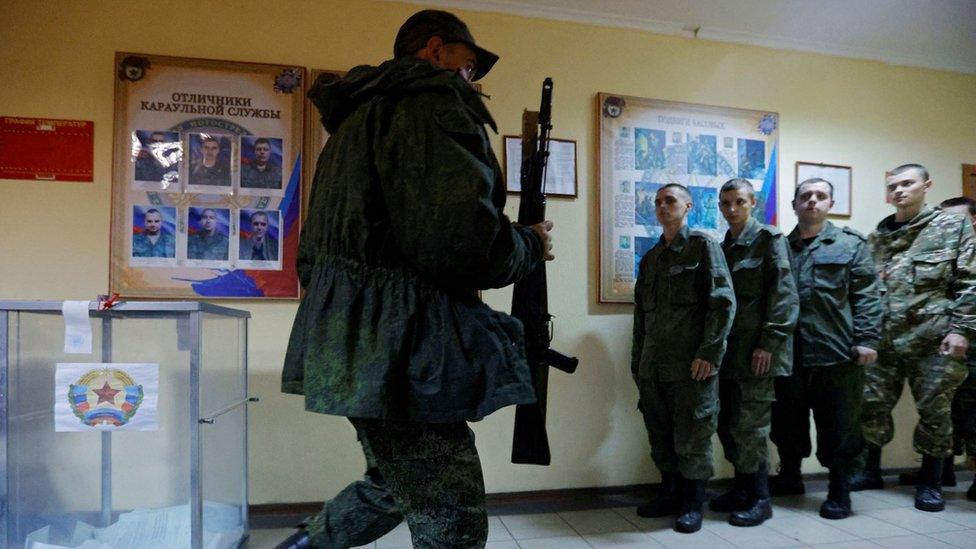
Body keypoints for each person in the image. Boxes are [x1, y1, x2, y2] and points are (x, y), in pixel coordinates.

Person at [277, 9, 552, 549]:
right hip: (400, 351)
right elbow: (462, 245)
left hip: (350, 344)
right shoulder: (431, 102)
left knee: (392, 483)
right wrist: (529, 244)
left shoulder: (357, 121)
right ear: (435, 50)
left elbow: (312, 256)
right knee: (453, 522)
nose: (471, 81)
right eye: (468, 67)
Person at [851, 165, 976, 512]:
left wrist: (960, 329)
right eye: (894, 185)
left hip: (933, 340)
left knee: (935, 412)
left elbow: (969, 281)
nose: (900, 191)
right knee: (871, 406)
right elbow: (865, 290)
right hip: (885, 339)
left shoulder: (952, 227)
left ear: (927, 186)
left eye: (908, 184)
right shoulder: (877, 237)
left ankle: (931, 482)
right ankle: (869, 471)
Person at [768, 178, 881, 519]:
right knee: (786, 423)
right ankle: (790, 477)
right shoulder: (778, 247)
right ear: (794, 204)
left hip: (837, 353)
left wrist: (867, 339)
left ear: (830, 203)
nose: (812, 201)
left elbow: (867, 294)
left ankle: (839, 490)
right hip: (789, 354)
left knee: (840, 427)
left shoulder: (850, 244)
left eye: (820, 196)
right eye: (805, 196)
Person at [631, 183, 735, 534]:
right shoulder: (651, 258)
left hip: (692, 366)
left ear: (688, 205)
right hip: (653, 367)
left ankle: (693, 502)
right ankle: (670, 494)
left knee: (693, 436)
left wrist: (709, 353)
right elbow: (640, 320)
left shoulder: (703, 247)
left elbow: (722, 303)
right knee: (660, 435)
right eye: (657, 202)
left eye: (670, 200)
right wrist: (638, 364)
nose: (662, 206)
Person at [711, 179, 798, 527]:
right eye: (726, 203)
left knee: (751, 428)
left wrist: (769, 343)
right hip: (729, 355)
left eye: (739, 202)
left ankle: (761, 498)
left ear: (752, 203)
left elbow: (784, 296)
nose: (732, 209)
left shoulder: (769, 240)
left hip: (758, 354)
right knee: (728, 426)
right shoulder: (723, 247)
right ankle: (742, 489)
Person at [896, 196, 976, 502]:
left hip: (972, 344)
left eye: (955, 220)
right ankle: (943, 472)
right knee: (944, 412)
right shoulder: (944, 256)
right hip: (945, 345)